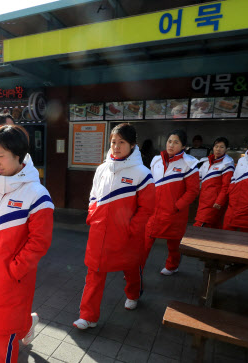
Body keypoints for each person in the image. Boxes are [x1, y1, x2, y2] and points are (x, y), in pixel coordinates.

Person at [0, 125, 53, 363]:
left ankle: (23, 324)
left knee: (2, 336)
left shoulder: (37, 194)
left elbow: (40, 242)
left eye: (1, 156)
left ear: (19, 155)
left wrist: (14, 269)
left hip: (12, 278)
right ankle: (27, 322)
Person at [73, 123, 155, 331]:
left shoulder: (142, 173)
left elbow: (147, 208)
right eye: (113, 142)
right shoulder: (102, 169)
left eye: (122, 142)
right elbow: (93, 195)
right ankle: (88, 316)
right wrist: (92, 215)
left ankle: (133, 293)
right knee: (94, 272)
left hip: (127, 235)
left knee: (130, 267)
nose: (116, 147)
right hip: (99, 234)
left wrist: (131, 229)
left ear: (132, 145)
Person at [145, 129, 199, 276]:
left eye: (176, 142)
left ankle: (172, 266)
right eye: (169, 141)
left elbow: (193, 191)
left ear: (183, 146)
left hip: (174, 214)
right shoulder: (156, 160)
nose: (171, 145)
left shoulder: (189, 164)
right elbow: (149, 183)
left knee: (173, 244)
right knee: (144, 242)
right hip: (154, 211)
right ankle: (135, 268)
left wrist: (176, 207)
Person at [194, 137, 235, 229]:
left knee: (201, 225)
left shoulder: (227, 164)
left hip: (214, 202)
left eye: (222, 147)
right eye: (216, 146)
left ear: (226, 149)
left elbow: (226, 186)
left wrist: (219, 201)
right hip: (203, 200)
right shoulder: (206, 162)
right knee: (213, 228)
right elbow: (198, 180)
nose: (218, 149)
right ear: (213, 147)